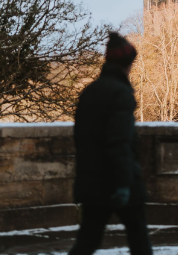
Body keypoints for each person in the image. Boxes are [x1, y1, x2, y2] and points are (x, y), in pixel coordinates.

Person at [69, 32, 152, 255]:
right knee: (139, 241)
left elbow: (82, 138)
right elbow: (119, 142)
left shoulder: (90, 91)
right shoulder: (121, 93)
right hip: (116, 181)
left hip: (92, 180)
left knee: (87, 241)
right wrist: (124, 183)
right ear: (127, 63)